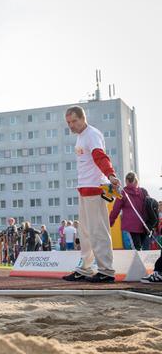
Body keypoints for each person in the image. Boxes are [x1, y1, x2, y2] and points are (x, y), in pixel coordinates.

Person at [62, 105, 121, 283]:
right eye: (68, 122)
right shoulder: (80, 137)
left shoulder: (92, 134)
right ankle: (85, 268)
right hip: (84, 189)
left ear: (82, 118)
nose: (71, 125)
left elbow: (100, 156)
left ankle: (106, 270)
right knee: (85, 233)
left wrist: (110, 174)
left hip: (95, 189)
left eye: (73, 121)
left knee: (98, 231)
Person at [109, 172, 149, 250]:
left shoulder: (123, 193)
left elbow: (116, 209)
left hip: (131, 226)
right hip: (144, 225)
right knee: (142, 250)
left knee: (136, 250)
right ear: (136, 180)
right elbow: (150, 207)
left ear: (126, 181)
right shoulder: (143, 192)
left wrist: (110, 222)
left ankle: (137, 261)